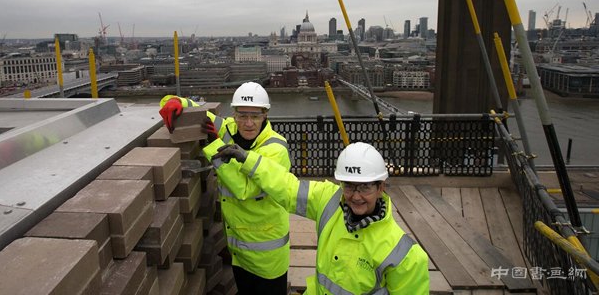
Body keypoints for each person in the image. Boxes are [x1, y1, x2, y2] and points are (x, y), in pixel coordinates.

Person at [212, 142, 430, 294]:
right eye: (349, 186)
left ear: (381, 187)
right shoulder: (330, 201)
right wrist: (250, 160)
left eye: (365, 187)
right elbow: (286, 187)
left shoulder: (404, 255)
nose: (356, 196)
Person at [159, 82, 291, 295]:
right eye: (242, 115)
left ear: (265, 115)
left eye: (255, 116)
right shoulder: (228, 128)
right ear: (234, 114)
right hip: (239, 251)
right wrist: (174, 102)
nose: (248, 123)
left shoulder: (275, 149)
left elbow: (245, 189)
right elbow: (196, 109)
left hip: (267, 256)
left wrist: (213, 144)